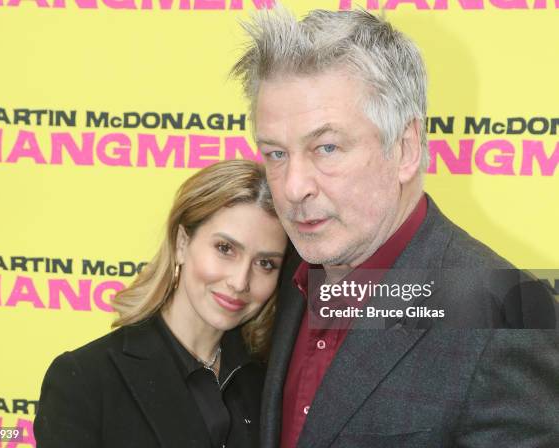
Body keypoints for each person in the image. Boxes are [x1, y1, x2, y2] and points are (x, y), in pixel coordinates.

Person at [230, 7, 559, 448]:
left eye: (327, 147)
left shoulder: (501, 319)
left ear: (405, 149)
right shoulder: (287, 273)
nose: (293, 188)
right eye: (275, 153)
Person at [33, 159, 288, 448]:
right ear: (181, 243)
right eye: (225, 249)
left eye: (265, 263)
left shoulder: (271, 382)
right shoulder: (85, 380)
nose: (240, 281)